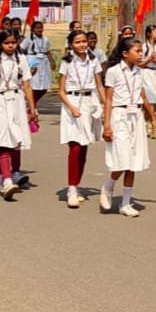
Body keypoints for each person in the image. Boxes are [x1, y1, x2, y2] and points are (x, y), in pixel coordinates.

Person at [0, 29, 38, 200]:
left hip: (16, 101)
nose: (10, 46)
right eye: (6, 43)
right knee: (2, 141)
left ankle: (4, 175)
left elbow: (27, 85)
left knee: (14, 140)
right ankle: (7, 179)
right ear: (0, 44)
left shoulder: (22, 60)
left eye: (13, 42)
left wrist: (32, 108)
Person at [99, 36, 156, 217]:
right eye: (137, 51)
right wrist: (107, 124)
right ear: (125, 53)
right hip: (119, 116)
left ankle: (125, 203)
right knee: (122, 159)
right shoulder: (113, 72)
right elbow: (109, 100)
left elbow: (143, 96)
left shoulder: (140, 72)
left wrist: (152, 117)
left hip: (136, 117)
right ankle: (108, 186)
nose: (140, 54)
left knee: (134, 161)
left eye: (141, 51)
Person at [59, 30, 104, 209]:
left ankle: (76, 184)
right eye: (77, 42)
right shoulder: (66, 62)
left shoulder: (94, 60)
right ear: (71, 44)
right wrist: (71, 107)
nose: (82, 45)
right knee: (75, 146)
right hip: (72, 103)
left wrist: (106, 105)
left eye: (84, 41)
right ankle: (71, 188)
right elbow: (61, 90)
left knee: (84, 146)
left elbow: (99, 85)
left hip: (89, 102)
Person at [24, 20, 55, 109]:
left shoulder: (45, 39)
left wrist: (52, 61)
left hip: (44, 62)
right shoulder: (28, 39)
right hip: (33, 60)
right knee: (34, 84)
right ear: (33, 29)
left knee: (44, 86)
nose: (39, 30)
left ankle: (33, 103)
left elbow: (48, 51)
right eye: (37, 28)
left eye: (41, 28)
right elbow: (21, 49)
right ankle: (32, 106)